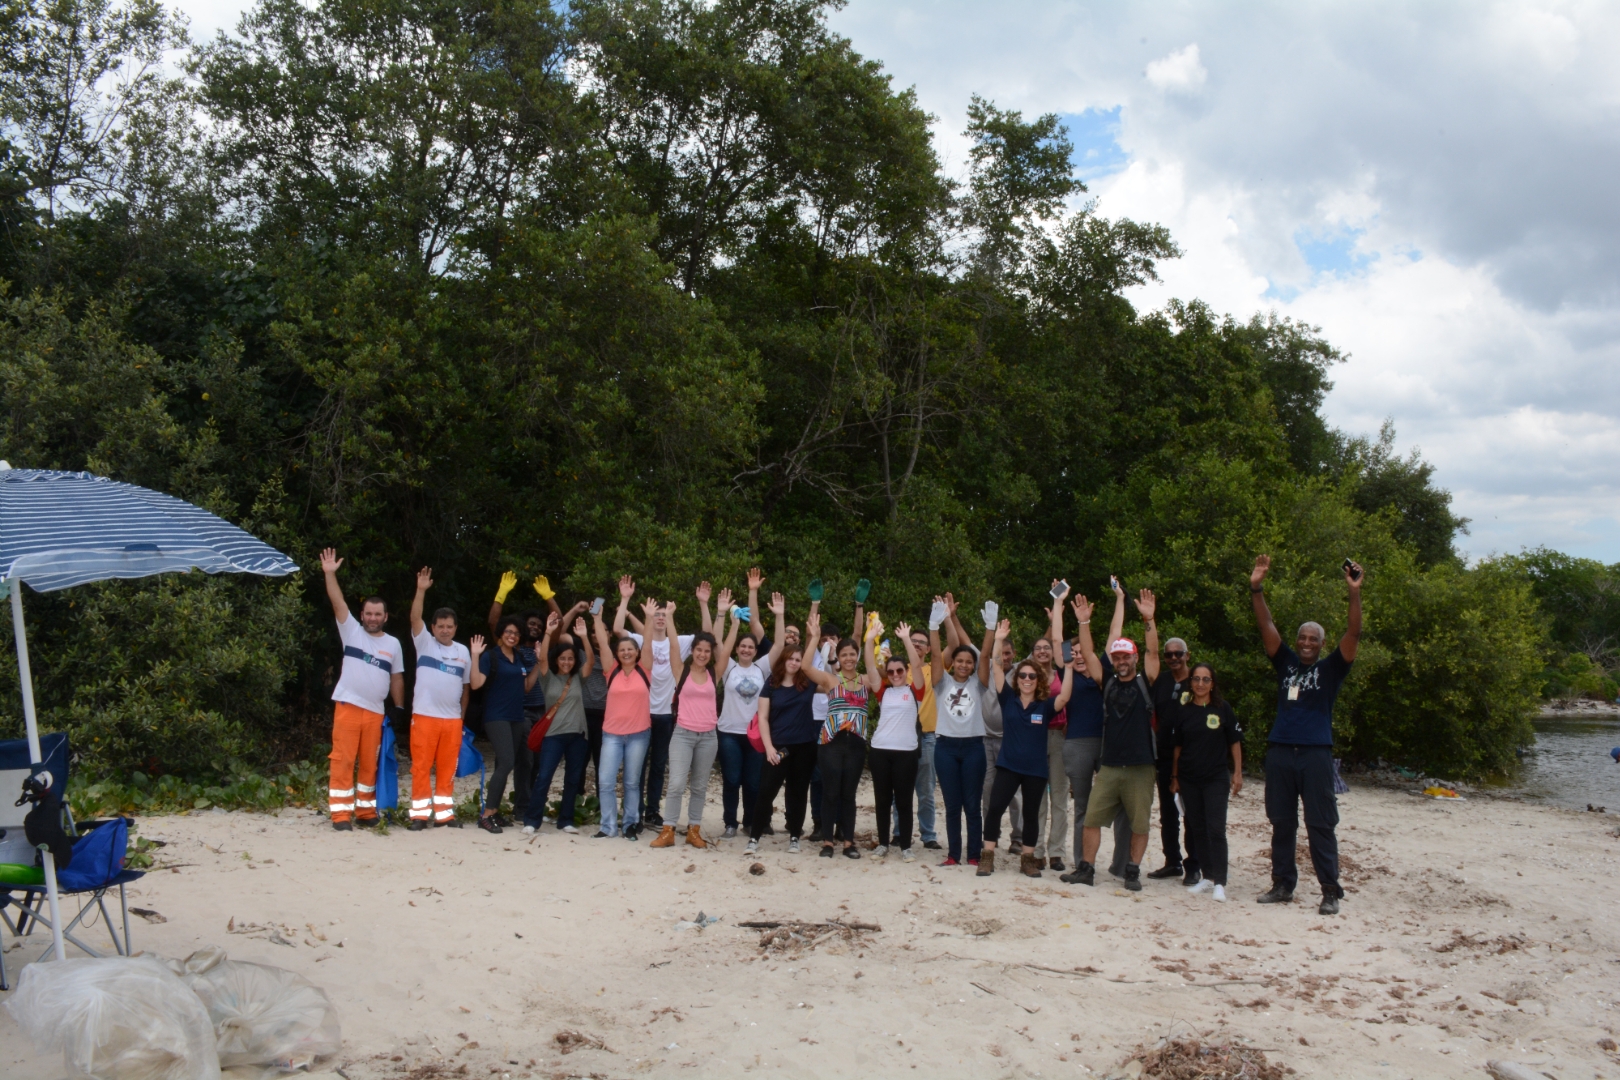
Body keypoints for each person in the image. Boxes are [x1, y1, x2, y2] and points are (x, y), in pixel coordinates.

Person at [1250, 554, 1362, 915]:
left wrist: (1354, 593)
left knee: (1320, 823)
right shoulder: (1284, 663)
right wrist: (1257, 587)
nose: (1307, 642)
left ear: (1322, 643)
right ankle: (1283, 884)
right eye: (1302, 636)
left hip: (1315, 753)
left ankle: (1330, 890)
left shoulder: (1332, 669)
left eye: (1314, 638)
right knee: (1281, 822)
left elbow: (1354, 633)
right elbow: (1265, 622)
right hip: (1281, 751)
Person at [1066, 586, 1161, 889]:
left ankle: (1132, 871)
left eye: (1125, 656)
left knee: (1139, 823)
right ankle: (1086, 869)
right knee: (1092, 819)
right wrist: (1083, 623)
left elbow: (1153, 652)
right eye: (1117, 656)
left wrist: (1149, 620)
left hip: (1141, 765)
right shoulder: (1106, 681)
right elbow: (1091, 653)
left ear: (1133, 658)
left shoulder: (1147, 680)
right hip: (1110, 766)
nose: (1121, 661)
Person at [979, 610, 1073, 877]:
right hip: (1008, 765)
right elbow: (997, 666)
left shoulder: (1044, 706)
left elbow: (1065, 697)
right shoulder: (1007, 698)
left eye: (1032, 677)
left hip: (1035, 769)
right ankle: (988, 856)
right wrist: (998, 639)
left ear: (1038, 681)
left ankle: (1028, 860)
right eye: (1023, 676)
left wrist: (1068, 668)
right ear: (1017, 679)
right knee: (995, 808)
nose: (1028, 680)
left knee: (1031, 814)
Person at [319, 549, 405, 830]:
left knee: (370, 763)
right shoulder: (351, 632)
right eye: (368, 613)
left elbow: (396, 678)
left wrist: (399, 707)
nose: (372, 618)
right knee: (343, 761)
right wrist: (330, 573)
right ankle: (341, 814)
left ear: (385, 616)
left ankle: (365, 811)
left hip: (375, 713)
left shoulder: (393, 644)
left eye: (377, 614)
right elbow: (337, 601)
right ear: (362, 615)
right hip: (348, 707)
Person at [487, 572, 575, 824]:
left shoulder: (547, 648)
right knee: (523, 760)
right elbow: (495, 624)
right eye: (532, 624)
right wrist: (501, 594)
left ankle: (529, 804)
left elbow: (558, 623)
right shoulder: (512, 647)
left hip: (544, 712)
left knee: (539, 760)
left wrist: (549, 597)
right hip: (520, 712)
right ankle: (522, 808)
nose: (536, 627)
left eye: (539, 624)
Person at [1059, 586, 1132, 883]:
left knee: (1121, 805)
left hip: (1108, 745)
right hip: (1077, 744)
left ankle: (1122, 863)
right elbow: (1056, 640)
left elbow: (1115, 632)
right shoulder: (1068, 675)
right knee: (1083, 807)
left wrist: (1119, 599)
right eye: (1073, 652)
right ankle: (1083, 863)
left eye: (1080, 652)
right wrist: (1061, 608)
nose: (1077, 656)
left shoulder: (1104, 670)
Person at [651, 587, 733, 849]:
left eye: (707, 651)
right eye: (698, 650)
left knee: (699, 787)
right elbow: (674, 644)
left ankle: (694, 830)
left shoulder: (714, 673)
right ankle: (668, 830)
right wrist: (671, 617)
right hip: (683, 734)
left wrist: (735, 623)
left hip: (709, 736)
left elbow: (727, 648)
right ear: (693, 650)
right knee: (675, 784)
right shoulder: (680, 671)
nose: (702, 654)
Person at [613, 576, 695, 828]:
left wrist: (670, 617)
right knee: (636, 766)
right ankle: (633, 812)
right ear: (650, 618)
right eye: (656, 614)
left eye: (664, 614)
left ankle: (651, 811)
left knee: (659, 765)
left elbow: (709, 634)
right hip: (640, 714)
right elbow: (617, 629)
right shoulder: (639, 642)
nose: (660, 617)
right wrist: (625, 599)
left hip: (665, 714)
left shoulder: (680, 642)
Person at [802, 610, 881, 859]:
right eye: (844, 654)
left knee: (849, 794)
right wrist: (814, 637)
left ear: (857, 657)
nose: (848, 658)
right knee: (830, 792)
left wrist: (870, 640)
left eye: (852, 654)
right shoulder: (830, 680)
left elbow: (877, 671)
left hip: (856, 744)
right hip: (830, 743)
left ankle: (848, 842)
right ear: (838, 656)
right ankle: (827, 841)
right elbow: (804, 666)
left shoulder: (866, 680)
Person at [468, 611, 550, 833]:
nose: (512, 636)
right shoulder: (491, 656)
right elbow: (475, 684)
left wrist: (538, 662)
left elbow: (526, 687)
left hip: (516, 717)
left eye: (516, 633)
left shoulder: (519, 657)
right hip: (496, 717)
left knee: (506, 764)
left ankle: (495, 811)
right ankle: (487, 814)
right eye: (508, 632)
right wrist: (475, 655)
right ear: (501, 633)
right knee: (506, 762)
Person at [1169, 663, 1242, 903]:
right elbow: (1178, 748)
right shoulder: (1184, 711)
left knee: (1216, 829)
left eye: (1206, 679)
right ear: (1190, 682)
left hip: (1215, 778)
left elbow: (1234, 742)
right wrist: (1175, 777)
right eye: (1196, 679)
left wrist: (1238, 773)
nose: (1200, 684)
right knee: (1196, 828)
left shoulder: (1223, 709)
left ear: (1213, 683)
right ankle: (1208, 876)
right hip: (1189, 779)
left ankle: (1220, 882)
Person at [930, 595, 993, 867]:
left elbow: (987, 655)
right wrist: (935, 626)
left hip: (973, 748)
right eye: (960, 661)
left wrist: (990, 628)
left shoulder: (979, 684)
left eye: (969, 662)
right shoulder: (940, 683)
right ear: (953, 663)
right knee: (952, 805)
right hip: (944, 747)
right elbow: (934, 654)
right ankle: (953, 855)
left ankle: (975, 855)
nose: (965, 665)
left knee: (972, 805)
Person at [408, 567, 472, 830]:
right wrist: (421, 590)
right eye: (440, 626)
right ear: (432, 627)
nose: (445, 630)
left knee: (447, 769)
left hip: (452, 721)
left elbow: (466, 687)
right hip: (424, 717)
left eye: (449, 626)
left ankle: (444, 815)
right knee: (421, 768)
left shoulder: (463, 651)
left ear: (455, 628)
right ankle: (420, 816)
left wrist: (461, 717)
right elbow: (414, 617)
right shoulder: (424, 643)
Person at [746, 636, 822, 854]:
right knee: (766, 792)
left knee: (797, 793)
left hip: (805, 747)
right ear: (784, 660)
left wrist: (819, 642)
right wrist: (769, 747)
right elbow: (762, 718)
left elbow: (830, 682)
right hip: (778, 747)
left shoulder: (807, 683)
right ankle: (754, 838)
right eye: (791, 658)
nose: (794, 662)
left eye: (798, 659)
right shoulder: (771, 683)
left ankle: (795, 836)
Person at [715, 575, 777, 838]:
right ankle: (730, 822)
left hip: (754, 735)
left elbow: (781, 646)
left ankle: (751, 821)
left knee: (753, 783)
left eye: (751, 647)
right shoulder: (727, 667)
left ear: (756, 650)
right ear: (738, 648)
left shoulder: (762, 668)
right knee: (731, 780)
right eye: (742, 646)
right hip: (728, 732)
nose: (746, 650)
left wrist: (779, 616)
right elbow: (718, 644)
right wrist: (728, 620)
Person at [522, 616, 595, 836]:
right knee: (544, 777)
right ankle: (532, 820)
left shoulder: (578, 678)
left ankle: (566, 820)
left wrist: (583, 637)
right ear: (557, 660)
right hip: (553, 735)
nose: (566, 662)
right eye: (563, 658)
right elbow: (542, 659)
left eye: (571, 658)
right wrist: (548, 632)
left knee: (573, 779)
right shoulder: (548, 678)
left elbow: (590, 661)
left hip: (578, 736)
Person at [592, 602, 654, 839]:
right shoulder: (611, 670)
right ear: (617, 655)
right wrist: (597, 618)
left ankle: (630, 825)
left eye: (630, 649)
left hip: (639, 734)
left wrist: (648, 618)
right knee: (606, 781)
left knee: (631, 783)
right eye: (622, 650)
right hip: (612, 735)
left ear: (637, 653)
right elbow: (602, 642)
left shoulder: (644, 669)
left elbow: (648, 642)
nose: (626, 652)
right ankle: (607, 826)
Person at [870, 623, 927, 861]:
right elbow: (871, 667)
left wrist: (905, 639)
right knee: (882, 801)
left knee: (904, 801)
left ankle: (905, 846)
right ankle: (883, 843)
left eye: (899, 671)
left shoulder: (916, 690)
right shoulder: (882, 690)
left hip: (906, 752)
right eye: (891, 671)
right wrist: (869, 639)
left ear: (905, 671)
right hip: (880, 750)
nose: (895, 675)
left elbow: (916, 664)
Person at [1147, 635, 1199, 884]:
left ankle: (1194, 866)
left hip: (1191, 758)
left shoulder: (1198, 681)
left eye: (1179, 653)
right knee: (1168, 813)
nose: (1174, 658)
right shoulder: (1162, 681)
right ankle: (1172, 862)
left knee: (1191, 814)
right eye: (1169, 654)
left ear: (1187, 655)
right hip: (1165, 756)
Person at [1028, 603, 1071, 871]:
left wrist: (1059, 617)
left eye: (1047, 648)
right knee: (1036, 799)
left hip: (1058, 736)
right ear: (1031, 654)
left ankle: (1057, 852)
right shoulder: (1026, 675)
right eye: (1038, 649)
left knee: (1060, 797)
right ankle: (1038, 850)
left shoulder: (1063, 671)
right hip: (1034, 739)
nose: (1043, 651)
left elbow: (1061, 643)